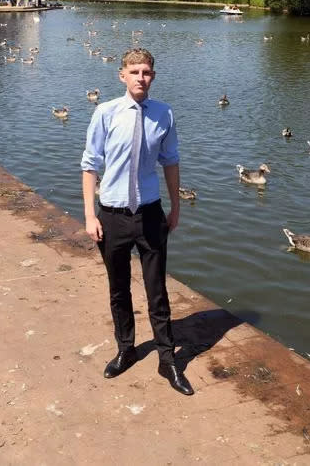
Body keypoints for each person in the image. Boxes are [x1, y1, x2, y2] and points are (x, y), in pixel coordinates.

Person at [81, 48, 193, 396]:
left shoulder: (164, 114)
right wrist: (89, 215)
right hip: (112, 215)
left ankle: (167, 359)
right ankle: (125, 349)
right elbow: (89, 165)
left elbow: (170, 161)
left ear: (153, 76)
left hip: (149, 213)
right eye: (134, 72)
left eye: (146, 72)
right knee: (119, 289)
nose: (140, 78)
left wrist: (175, 206)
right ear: (122, 76)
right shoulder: (105, 113)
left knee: (157, 289)